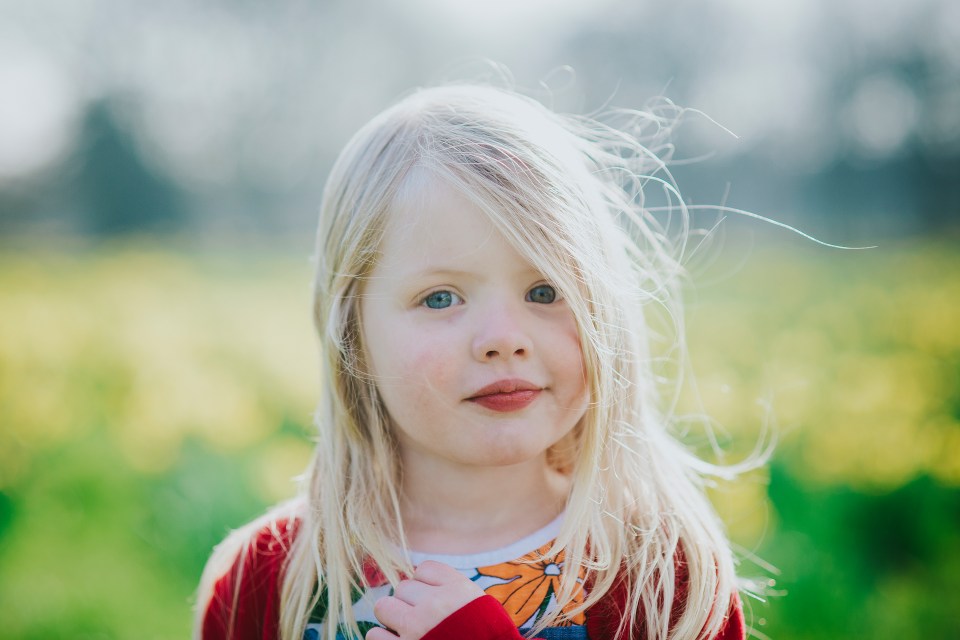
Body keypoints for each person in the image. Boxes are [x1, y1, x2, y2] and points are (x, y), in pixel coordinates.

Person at [195, 82, 756, 640]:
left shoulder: (660, 579)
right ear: (353, 333)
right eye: (440, 297)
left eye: (544, 291)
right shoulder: (269, 579)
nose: (504, 339)